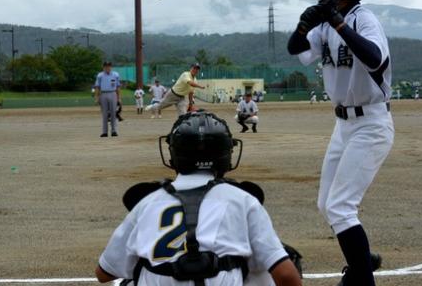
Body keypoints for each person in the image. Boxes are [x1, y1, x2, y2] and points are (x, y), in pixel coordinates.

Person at [95, 112, 302, 286]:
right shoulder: (243, 199)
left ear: (173, 155)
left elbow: (104, 273)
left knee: (133, 274)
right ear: (227, 155)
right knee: (269, 260)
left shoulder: (147, 202)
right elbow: (286, 275)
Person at [287, 0, 392, 285]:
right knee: (326, 203)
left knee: (341, 207)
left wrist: (339, 23)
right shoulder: (325, 23)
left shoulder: (364, 19)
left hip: (371, 124)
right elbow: (296, 49)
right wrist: (306, 24)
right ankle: (362, 259)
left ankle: (361, 277)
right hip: (343, 125)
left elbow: (375, 59)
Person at [94, 61, 121, 137]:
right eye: (106, 66)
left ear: (111, 67)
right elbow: (97, 87)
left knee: (113, 113)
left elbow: (118, 86)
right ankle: (104, 132)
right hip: (103, 93)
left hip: (113, 93)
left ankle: (114, 131)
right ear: (103, 67)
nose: (107, 68)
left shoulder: (115, 75)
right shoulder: (100, 75)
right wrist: (96, 97)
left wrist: (119, 98)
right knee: (105, 114)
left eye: (109, 66)